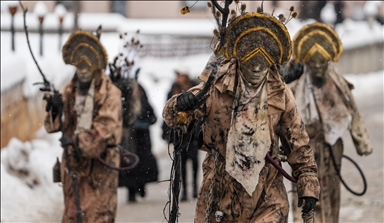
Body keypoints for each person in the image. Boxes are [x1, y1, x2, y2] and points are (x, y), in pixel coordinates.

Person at [162, 7, 320, 222]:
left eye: (261, 66)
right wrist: (180, 104)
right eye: (251, 65)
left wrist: (308, 182)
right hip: (220, 192)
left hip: (267, 193)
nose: (256, 70)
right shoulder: (215, 87)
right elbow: (175, 117)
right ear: (239, 60)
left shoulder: (281, 95)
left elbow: (298, 142)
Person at [285, 22, 374, 223]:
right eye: (313, 63)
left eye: (322, 62)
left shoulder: (339, 85)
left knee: (330, 196)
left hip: (332, 150)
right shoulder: (295, 88)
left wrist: (361, 142)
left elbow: (353, 111)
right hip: (304, 151)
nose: (317, 67)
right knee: (305, 200)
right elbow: (282, 118)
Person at [44, 31, 122, 222]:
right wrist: (55, 108)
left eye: (88, 66)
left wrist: (78, 141)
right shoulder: (70, 90)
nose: (84, 71)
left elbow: (105, 127)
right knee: (73, 215)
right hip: (73, 167)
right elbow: (53, 126)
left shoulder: (110, 93)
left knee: (98, 215)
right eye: (80, 66)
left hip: (100, 167)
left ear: (97, 67)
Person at [161, 66, 200, 201]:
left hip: (192, 132)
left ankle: (195, 188)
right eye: (177, 75)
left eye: (180, 75)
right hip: (179, 133)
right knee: (181, 164)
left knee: (194, 162)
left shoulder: (195, 89)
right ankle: (183, 191)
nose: (178, 78)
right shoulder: (173, 89)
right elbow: (168, 109)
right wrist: (167, 132)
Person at [119, 81, 159, 202]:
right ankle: (131, 191)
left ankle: (141, 185)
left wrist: (142, 125)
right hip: (129, 140)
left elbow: (153, 118)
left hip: (143, 140)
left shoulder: (144, 104)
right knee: (129, 164)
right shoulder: (125, 105)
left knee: (143, 165)